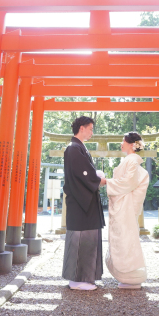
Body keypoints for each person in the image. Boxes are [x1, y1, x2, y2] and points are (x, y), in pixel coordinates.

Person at [62, 116, 107, 290]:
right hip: (81, 203)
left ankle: (85, 278)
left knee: (87, 240)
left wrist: (96, 178)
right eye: (90, 129)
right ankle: (76, 279)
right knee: (81, 240)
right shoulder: (73, 148)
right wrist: (99, 180)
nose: (91, 132)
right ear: (82, 128)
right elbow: (84, 175)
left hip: (84, 202)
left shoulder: (78, 147)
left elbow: (87, 173)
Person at [105, 132, 150, 289]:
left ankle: (131, 276)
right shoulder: (131, 161)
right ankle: (128, 276)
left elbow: (128, 182)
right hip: (124, 204)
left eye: (123, 140)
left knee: (125, 237)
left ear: (132, 144)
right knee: (125, 237)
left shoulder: (131, 161)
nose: (121, 143)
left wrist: (107, 182)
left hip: (125, 205)